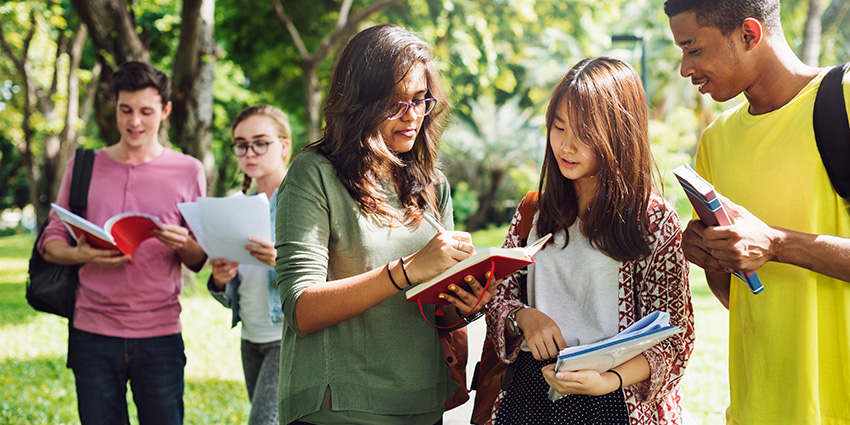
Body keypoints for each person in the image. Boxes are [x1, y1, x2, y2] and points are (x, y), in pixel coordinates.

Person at [274, 24, 497, 425]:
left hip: (423, 403)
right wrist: (408, 269)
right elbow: (301, 308)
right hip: (340, 406)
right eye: (395, 103)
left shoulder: (432, 184)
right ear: (359, 103)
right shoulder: (314, 174)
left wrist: (467, 302)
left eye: (419, 100)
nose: (412, 116)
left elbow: (435, 312)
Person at [664, 1, 850, 423]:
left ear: (749, 34)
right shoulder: (716, 140)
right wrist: (708, 251)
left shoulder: (843, 100)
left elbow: (768, 246)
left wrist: (777, 243)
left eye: (693, 50)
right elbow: (735, 293)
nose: (684, 69)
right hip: (756, 408)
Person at [482, 57, 695, 424]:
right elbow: (497, 296)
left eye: (584, 134)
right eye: (559, 128)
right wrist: (524, 317)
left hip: (615, 400)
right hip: (532, 393)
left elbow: (678, 335)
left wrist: (608, 380)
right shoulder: (533, 211)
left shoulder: (653, 221)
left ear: (618, 134)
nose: (566, 146)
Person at [38, 61, 207, 425]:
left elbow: (197, 258)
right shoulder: (83, 166)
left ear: (164, 111)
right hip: (93, 332)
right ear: (114, 107)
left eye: (146, 112)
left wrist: (181, 242)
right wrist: (80, 254)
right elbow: (50, 240)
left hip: (160, 334)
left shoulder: (189, 170)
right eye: (125, 110)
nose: (134, 122)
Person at [207, 105, 292, 425]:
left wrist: (282, 262)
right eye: (241, 144)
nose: (249, 152)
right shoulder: (234, 205)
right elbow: (228, 290)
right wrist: (219, 279)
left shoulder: (302, 202)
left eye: (260, 142)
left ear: (283, 146)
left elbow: (334, 272)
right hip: (251, 336)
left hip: (287, 336)